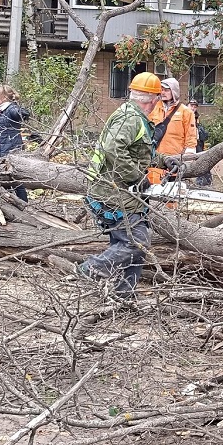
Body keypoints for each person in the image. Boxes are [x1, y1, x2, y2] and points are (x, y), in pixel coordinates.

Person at [78, 72, 183, 299]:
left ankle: (124, 296)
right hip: (114, 193)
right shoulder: (130, 119)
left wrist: (164, 161)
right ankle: (92, 269)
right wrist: (137, 177)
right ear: (153, 99)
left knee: (131, 247)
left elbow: (139, 152)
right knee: (137, 244)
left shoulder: (134, 117)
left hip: (120, 193)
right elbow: (113, 150)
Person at [146, 78, 198, 185]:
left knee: (170, 195)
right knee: (149, 192)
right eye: (162, 89)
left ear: (174, 91)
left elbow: (191, 136)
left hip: (173, 160)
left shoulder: (186, 112)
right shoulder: (153, 108)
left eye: (166, 90)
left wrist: (189, 157)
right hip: (154, 158)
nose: (163, 92)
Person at [188, 99, 212, 187]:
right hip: (185, 141)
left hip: (196, 141)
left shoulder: (196, 117)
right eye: (191, 106)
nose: (193, 108)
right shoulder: (183, 114)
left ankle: (204, 180)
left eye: (195, 107)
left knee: (201, 159)